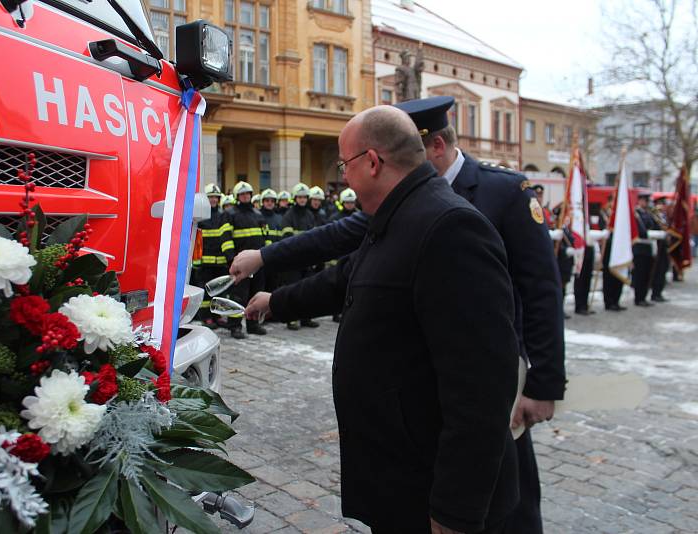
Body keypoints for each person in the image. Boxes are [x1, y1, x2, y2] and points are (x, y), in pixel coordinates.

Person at [231, 96, 565, 534]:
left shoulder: (450, 223)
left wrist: (456, 510)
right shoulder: (397, 212)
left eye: (344, 165)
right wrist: (277, 301)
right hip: (405, 462)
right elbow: (347, 277)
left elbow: (481, 383)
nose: (342, 177)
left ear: (372, 162)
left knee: (510, 510)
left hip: (434, 463)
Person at [219, 181, 268, 339]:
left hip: (258, 263)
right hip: (241, 264)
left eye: (247, 194)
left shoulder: (258, 214)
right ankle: (235, 327)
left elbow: (266, 237)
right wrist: (231, 259)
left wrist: (267, 257)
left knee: (255, 294)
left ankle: (253, 324)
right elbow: (225, 239)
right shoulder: (230, 214)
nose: (245, 196)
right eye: (242, 194)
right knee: (238, 296)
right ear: (237, 196)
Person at [280, 183, 321, 330]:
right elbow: (287, 239)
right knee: (292, 290)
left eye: (304, 197)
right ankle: (291, 319)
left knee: (307, 290)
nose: (302, 200)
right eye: (300, 197)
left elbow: (316, 237)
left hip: (308, 259)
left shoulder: (310, 215)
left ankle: (306, 318)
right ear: (295, 198)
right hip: (294, 260)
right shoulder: (289, 216)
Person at [193, 183, 225, 329]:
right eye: (211, 197)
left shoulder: (223, 215)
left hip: (220, 261)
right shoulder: (201, 217)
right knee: (206, 291)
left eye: (215, 198)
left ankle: (217, 315)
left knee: (219, 291)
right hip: (205, 262)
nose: (213, 200)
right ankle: (206, 317)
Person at [632, 192, 659, 307]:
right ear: (640, 201)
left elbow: (655, 226)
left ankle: (644, 296)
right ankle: (638, 298)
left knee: (647, 274)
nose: (646, 203)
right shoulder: (636, 214)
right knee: (640, 274)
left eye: (647, 201)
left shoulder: (648, 213)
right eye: (645, 201)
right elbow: (641, 232)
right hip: (639, 248)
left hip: (648, 247)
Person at [260, 188, 283, 292]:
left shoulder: (279, 218)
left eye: (272, 201)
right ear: (262, 202)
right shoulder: (258, 216)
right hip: (261, 259)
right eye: (267, 201)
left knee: (274, 288)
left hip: (276, 258)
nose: (269, 203)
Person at [650, 197, 670, 302]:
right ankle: (655, 293)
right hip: (657, 247)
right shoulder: (653, 216)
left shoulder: (663, 217)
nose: (662, 206)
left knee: (663, 269)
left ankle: (659, 292)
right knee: (658, 270)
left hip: (664, 247)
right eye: (660, 204)